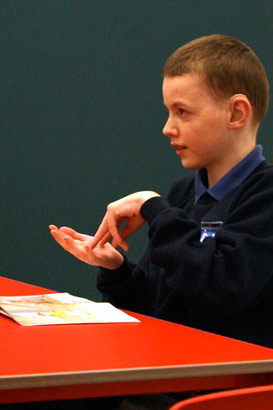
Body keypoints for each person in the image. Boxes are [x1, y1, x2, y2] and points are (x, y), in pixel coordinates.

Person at [49, 34, 272, 362]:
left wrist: (154, 208)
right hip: (162, 372)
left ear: (236, 113)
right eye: (169, 112)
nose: (168, 128)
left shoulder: (264, 195)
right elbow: (159, 307)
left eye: (182, 112)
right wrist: (118, 270)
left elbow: (219, 287)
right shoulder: (183, 194)